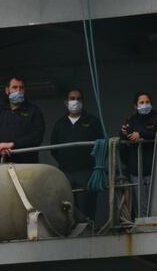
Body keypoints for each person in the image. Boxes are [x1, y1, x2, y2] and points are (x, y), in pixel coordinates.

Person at [51, 88, 103, 220]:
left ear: (83, 102)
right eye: (72, 99)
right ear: (66, 102)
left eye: (78, 98)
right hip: (66, 172)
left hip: (87, 172)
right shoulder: (59, 124)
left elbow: (101, 145)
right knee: (68, 208)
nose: (75, 101)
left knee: (86, 208)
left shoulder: (93, 121)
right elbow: (54, 148)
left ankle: (88, 232)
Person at [119, 92, 157, 217]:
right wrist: (123, 133)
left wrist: (141, 134)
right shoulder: (132, 120)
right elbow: (125, 133)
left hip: (154, 168)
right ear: (135, 106)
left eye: (147, 102)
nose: (145, 105)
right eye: (141, 102)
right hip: (137, 170)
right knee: (141, 205)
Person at [0, 76, 45, 163]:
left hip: (26, 165)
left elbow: (37, 136)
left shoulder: (33, 110)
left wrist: (13, 144)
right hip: (0, 163)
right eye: (14, 87)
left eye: (21, 88)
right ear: (7, 90)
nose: (18, 91)